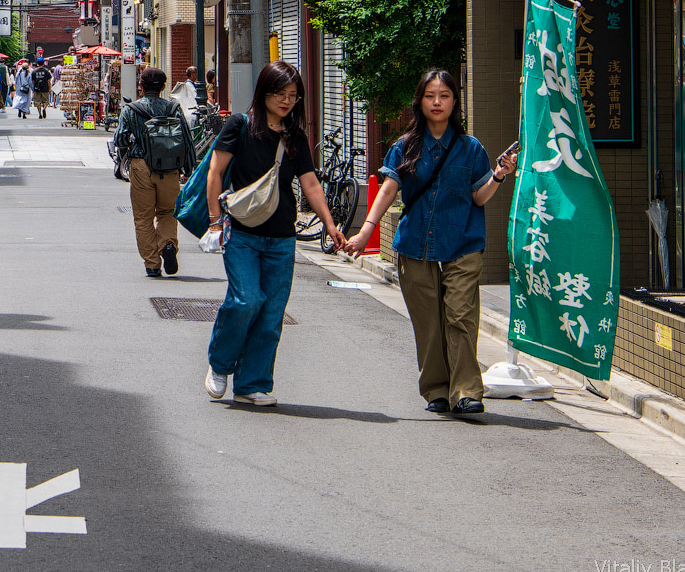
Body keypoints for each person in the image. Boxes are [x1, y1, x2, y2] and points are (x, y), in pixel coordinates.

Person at [344, 69, 518, 416]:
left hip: (463, 242)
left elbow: (479, 198)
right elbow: (390, 189)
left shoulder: (471, 149)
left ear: (455, 101)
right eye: (430, 96)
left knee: (461, 316)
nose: (437, 102)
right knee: (428, 323)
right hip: (416, 243)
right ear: (420, 102)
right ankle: (437, 390)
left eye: (444, 96)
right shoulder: (404, 147)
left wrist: (499, 175)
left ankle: (466, 391)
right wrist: (366, 230)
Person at [203, 61, 347, 406]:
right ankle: (220, 364)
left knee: (270, 314)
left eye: (293, 96)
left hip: (282, 237)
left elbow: (309, 182)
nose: (286, 101)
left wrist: (329, 222)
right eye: (280, 93)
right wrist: (213, 219)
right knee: (246, 300)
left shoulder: (294, 135)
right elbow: (215, 171)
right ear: (264, 91)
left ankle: (252, 383)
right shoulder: (239, 125)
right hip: (242, 232)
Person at [115, 67, 196, 277]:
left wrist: (135, 140)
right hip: (169, 168)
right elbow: (187, 141)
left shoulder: (132, 110)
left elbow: (120, 140)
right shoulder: (173, 108)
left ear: (140, 86)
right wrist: (188, 168)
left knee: (143, 217)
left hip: (141, 166)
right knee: (167, 212)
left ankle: (152, 263)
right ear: (162, 87)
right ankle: (167, 244)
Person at [32, 51, 51, 118]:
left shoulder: (34, 72)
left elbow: (33, 81)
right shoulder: (46, 71)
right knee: (45, 101)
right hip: (45, 88)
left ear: (37, 63)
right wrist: (49, 89)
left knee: (37, 102)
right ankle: (44, 108)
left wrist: (34, 88)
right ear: (43, 63)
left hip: (37, 89)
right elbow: (49, 81)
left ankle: (40, 114)